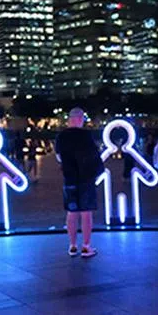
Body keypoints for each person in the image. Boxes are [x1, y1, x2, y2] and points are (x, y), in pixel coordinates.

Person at [54, 107, 100, 257]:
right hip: (86, 178)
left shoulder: (61, 136)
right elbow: (94, 155)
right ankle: (86, 246)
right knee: (86, 212)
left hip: (69, 177)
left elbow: (58, 156)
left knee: (71, 212)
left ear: (69, 119)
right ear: (80, 119)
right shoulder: (86, 136)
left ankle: (72, 245)